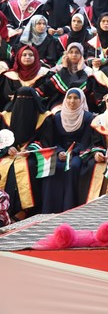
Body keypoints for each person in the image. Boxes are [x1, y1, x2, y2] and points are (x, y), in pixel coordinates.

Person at [0, 87, 54, 222]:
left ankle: (25, 210)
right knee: (5, 165)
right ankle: (3, 208)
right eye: (20, 99)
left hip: (32, 154)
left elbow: (47, 140)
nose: (23, 103)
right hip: (10, 154)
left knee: (27, 167)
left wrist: (30, 149)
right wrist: (8, 148)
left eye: (27, 100)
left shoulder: (44, 118)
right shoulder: (6, 116)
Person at [41, 88, 95, 214]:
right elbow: (53, 140)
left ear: (81, 100)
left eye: (76, 98)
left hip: (78, 152)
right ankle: (49, 209)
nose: (72, 101)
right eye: (69, 97)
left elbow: (86, 141)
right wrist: (59, 152)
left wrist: (72, 152)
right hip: (60, 152)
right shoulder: (57, 117)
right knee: (52, 167)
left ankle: (69, 207)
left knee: (73, 167)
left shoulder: (88, 117)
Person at [37, 42, 96, 111]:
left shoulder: (88, 71)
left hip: (81, 103)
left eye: (77, 52)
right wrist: (64, 69)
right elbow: (49, 87)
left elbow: (85, 89)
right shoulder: (57, 69)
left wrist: (80, 71)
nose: (74, 55)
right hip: (59, 102)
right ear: (66, 54)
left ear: (81, 55)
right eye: (71, 52)